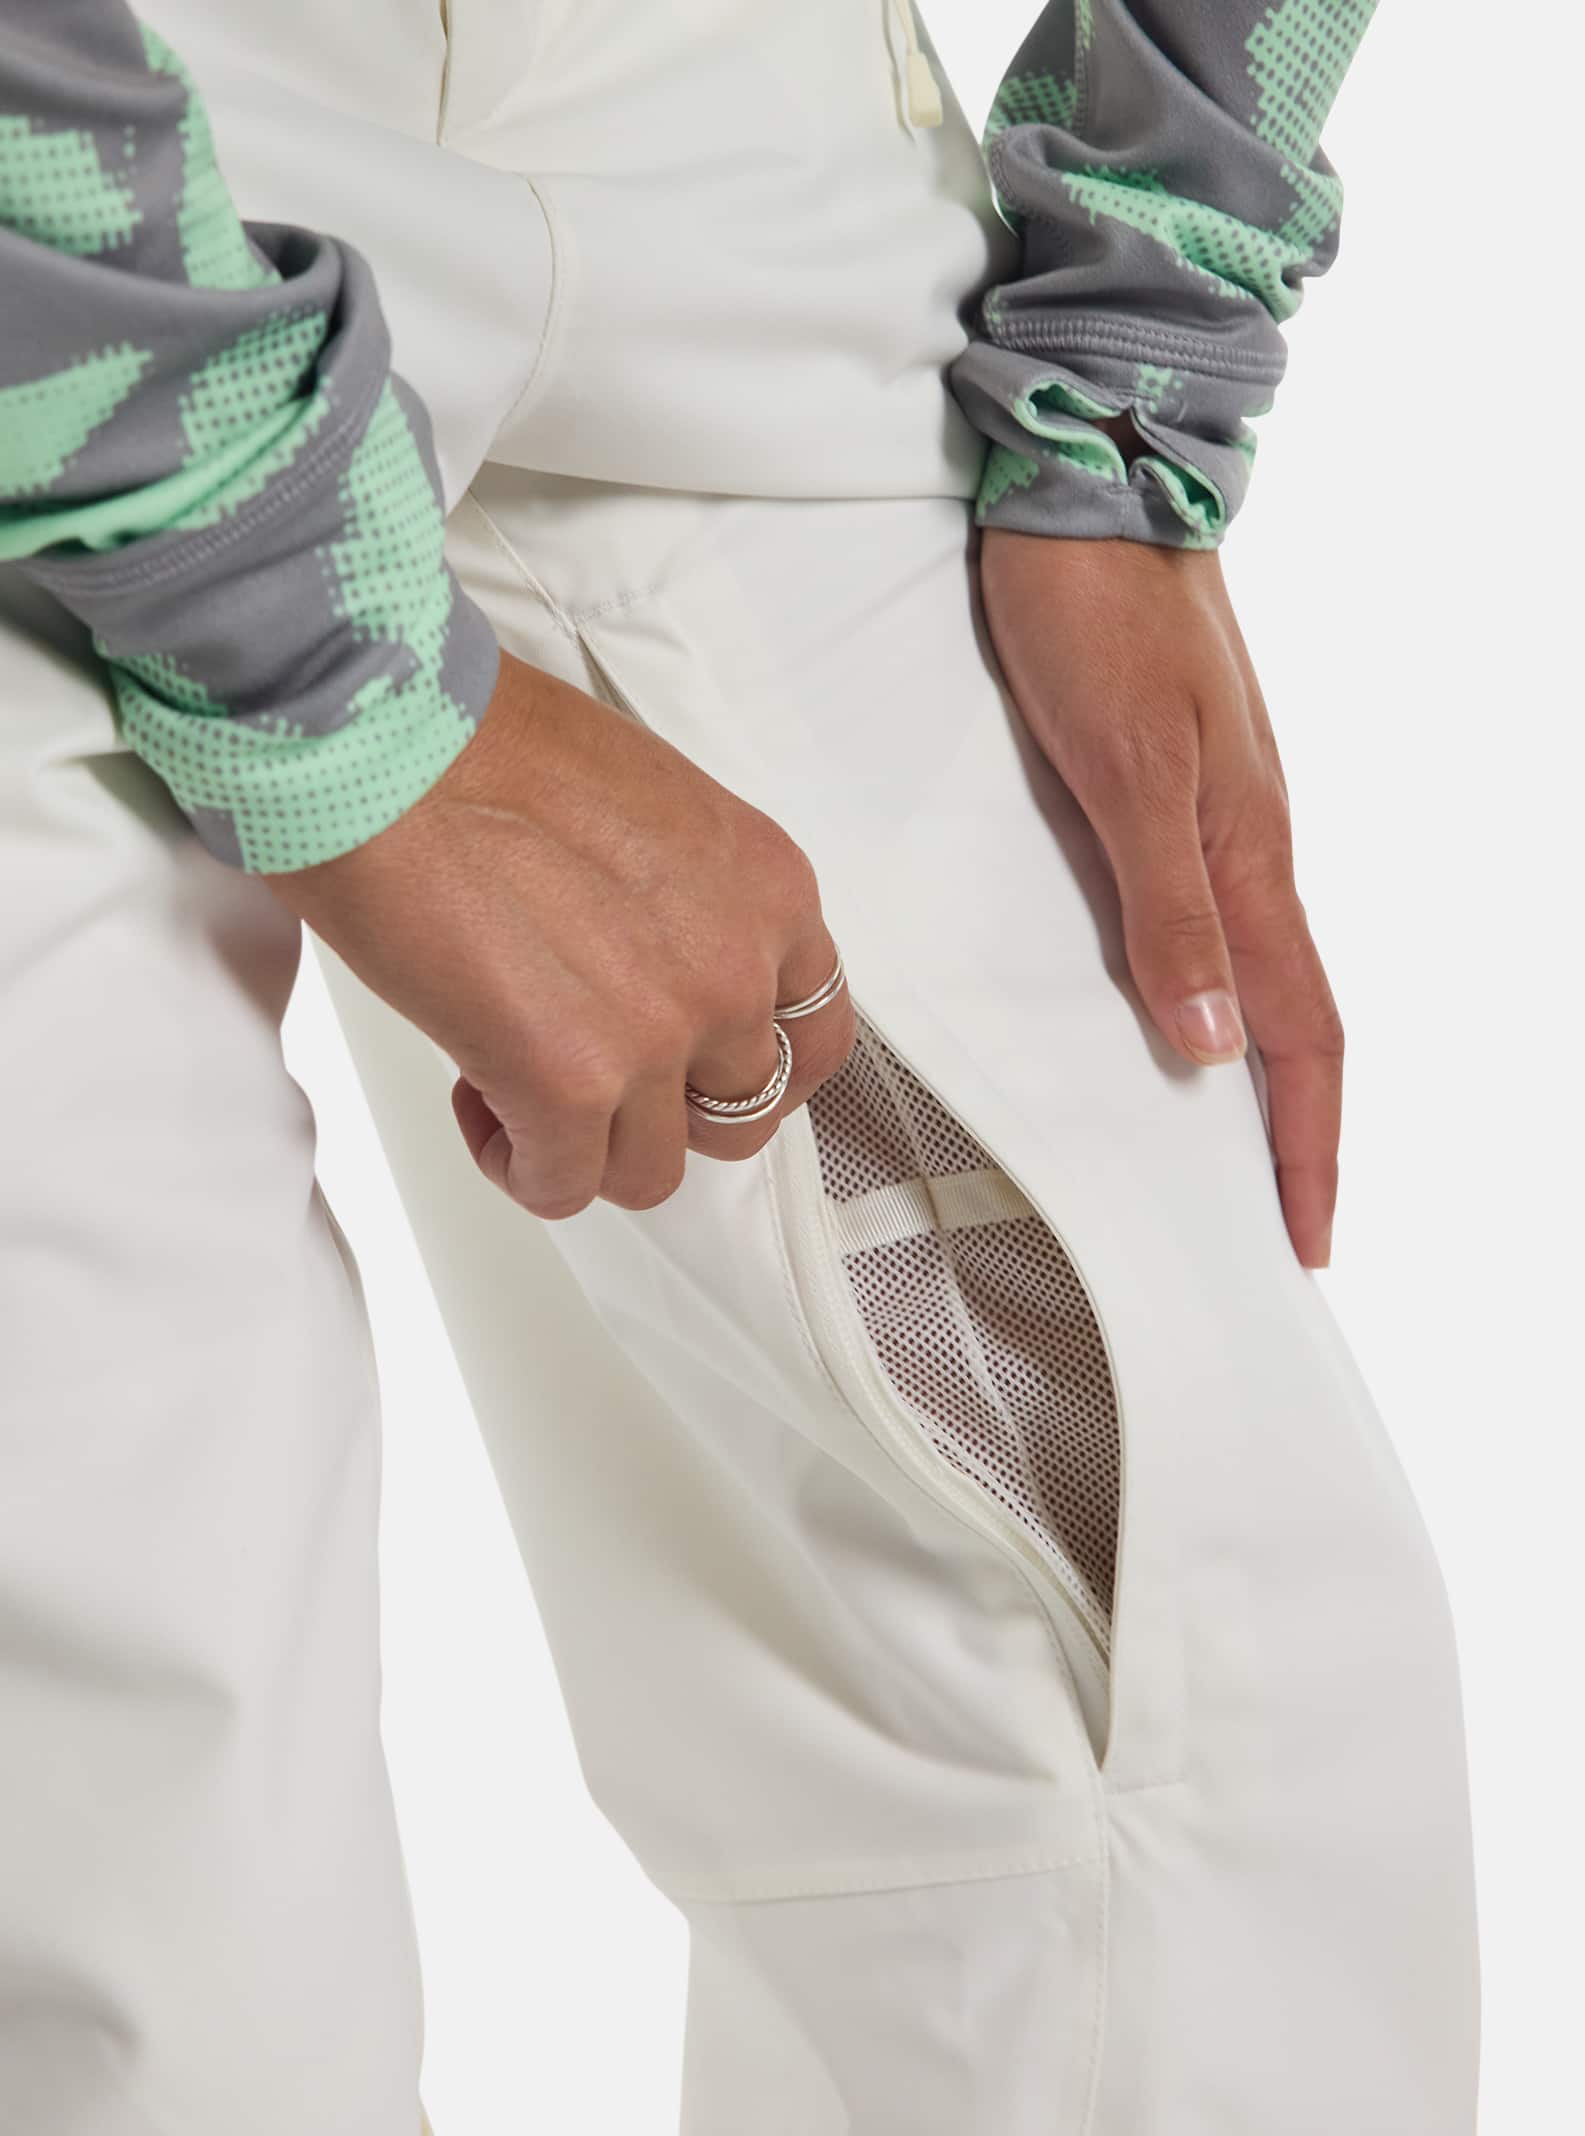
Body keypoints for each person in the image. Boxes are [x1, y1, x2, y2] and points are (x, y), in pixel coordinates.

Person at [0, 2, 1479, 2129]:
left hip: (728, 160)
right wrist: (336, 685)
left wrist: (1139, 331)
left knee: (1186, 1747)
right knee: (147, 1903)